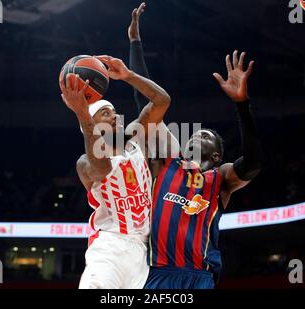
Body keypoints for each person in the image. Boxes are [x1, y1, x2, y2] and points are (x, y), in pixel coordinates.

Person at [127, 2, 262, 289]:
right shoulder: (165, 163)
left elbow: (253, 164)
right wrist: (135, 44)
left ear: (216, 155)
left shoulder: (220, 180)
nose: (198, 134)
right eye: (196, 133)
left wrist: (242, 105)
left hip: (199, 276)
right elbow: (147, 106)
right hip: (155, 273)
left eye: (207, 135)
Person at [59, 49, 171, 288]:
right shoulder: (84, 163)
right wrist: (81, 113)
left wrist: (129, 75)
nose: (115, 116)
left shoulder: (135, 139)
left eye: (114, 111)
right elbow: (101, 168)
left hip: (141, 251)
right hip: (109, 247)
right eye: (105, 113)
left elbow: (162, 101)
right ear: (90, 125)